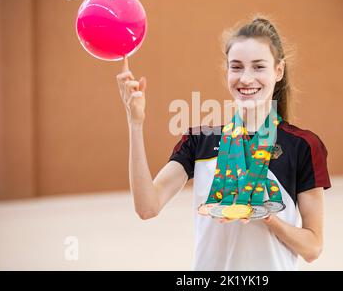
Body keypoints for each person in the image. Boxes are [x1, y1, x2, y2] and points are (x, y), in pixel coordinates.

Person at [115, 16, 331, 270]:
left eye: (259, 67)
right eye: (236, 67)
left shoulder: (303, 145)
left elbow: (313, 247)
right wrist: (135, 123)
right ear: (227, 71)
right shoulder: (200, 141)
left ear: (278, 71)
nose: (246, 78)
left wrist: (266, 216)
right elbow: (147, 207)